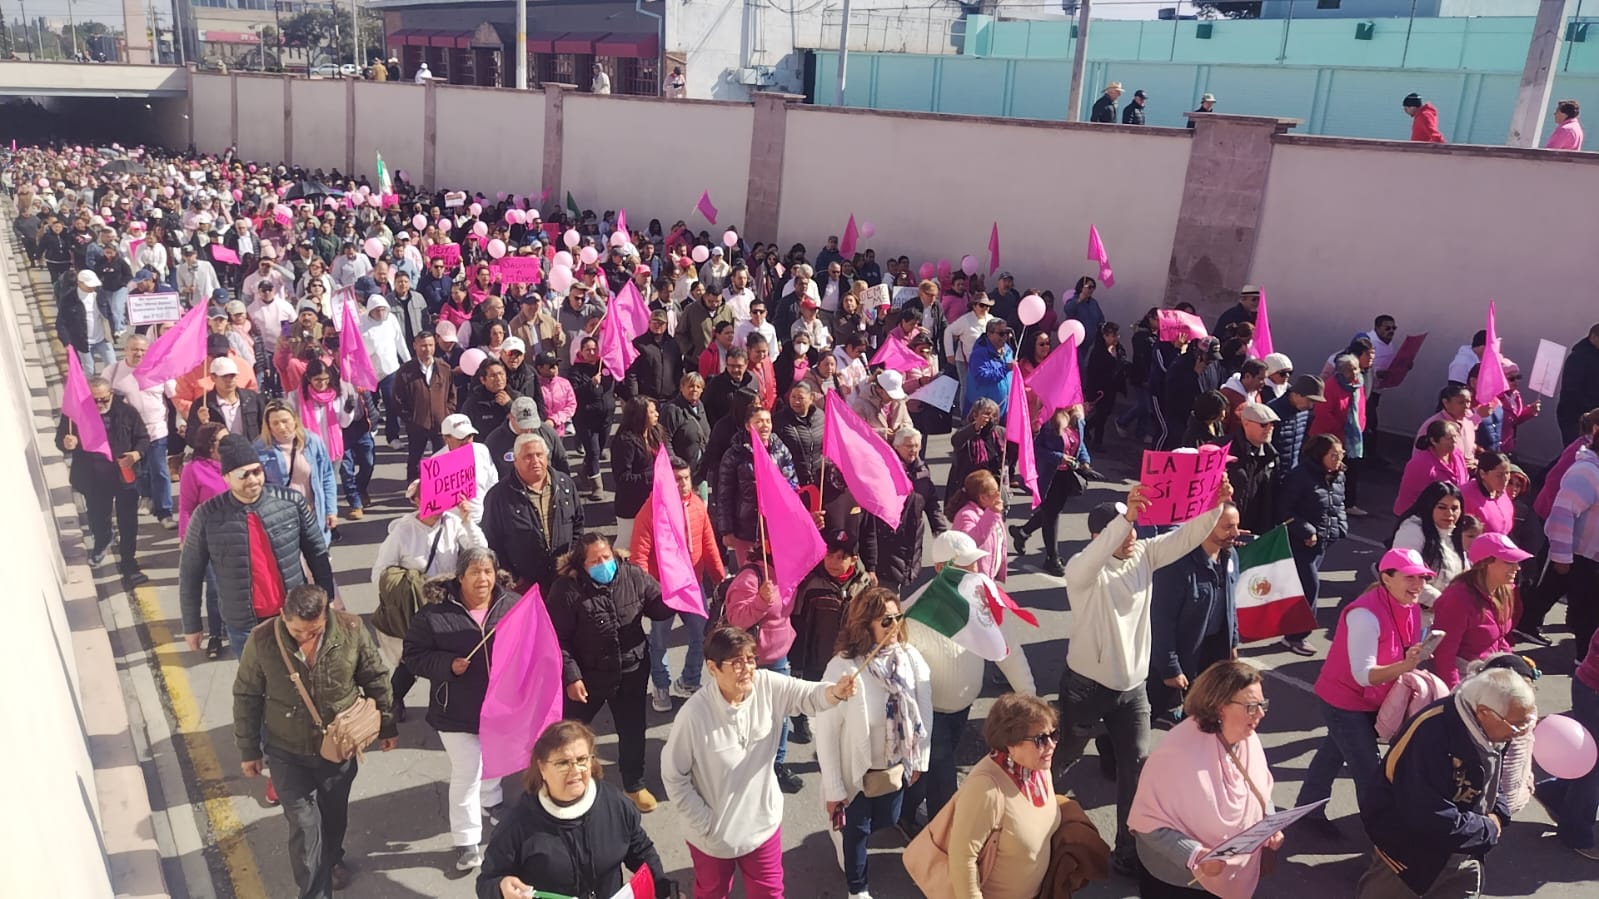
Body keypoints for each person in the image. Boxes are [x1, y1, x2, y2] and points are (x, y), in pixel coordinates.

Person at [1057, 479, 1232, 874]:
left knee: (1136, 766)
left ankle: (1126, 851)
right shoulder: (1082, 571)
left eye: (1134, 527)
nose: (1133, 534)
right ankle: (1033, 818)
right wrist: (1127, 517)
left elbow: (1187, 536)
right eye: (1122, 529)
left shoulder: (1146, 556)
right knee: (1064, 756)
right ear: (1099, 537)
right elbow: (1092, 557)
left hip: (1133, 690)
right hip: (1086, 686)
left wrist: (1215, 505)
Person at [662, 626, 859, 899]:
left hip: (762, 826)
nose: (747, 669)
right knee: (712, 893)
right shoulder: (693, 715)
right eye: (737, 662)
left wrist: (835, 692)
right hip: (713, 838)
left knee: (769, 893)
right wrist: (707, 823)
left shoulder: (767, 685)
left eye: (751, 659)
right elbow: (674, 776)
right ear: (713, 668)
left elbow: (807, 696)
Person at [232, 584, 397, 898]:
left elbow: (374, 677)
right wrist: (248, 749)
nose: (304, 638)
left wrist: (387, 727)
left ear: (328, 615)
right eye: (296, 631)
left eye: (314, 631)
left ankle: (332, 857)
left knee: (334, 818)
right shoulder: (263, 639)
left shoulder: (351, 629)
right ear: (283, 615)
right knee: (305, 826)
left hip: (339, 749)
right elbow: (246, 695)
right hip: (286, 752)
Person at [1359, 669, 1534, 897]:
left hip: (1464, 851)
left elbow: (1492, 776)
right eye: (1516, 726)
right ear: (1483, 712)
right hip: (1408, 859)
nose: (1520, 732)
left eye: (1525, 724)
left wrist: (1499, 811)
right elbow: (1427, 814)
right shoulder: (1430, 734)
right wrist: (1487, 828)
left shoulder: (1494, 729)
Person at [1296, 548, 1434, 836]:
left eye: (1422, 577)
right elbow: (1363, 675)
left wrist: (1416, 653)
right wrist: (1406, 665)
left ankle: (1307, 809)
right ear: (1386, 578)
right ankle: (1384, 838)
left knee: (1332, 753)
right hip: (1345, 700)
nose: (1419, 585)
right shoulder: (1364, 615)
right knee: (1370, 771)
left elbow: (1400, 648)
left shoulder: (1407, 605)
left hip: (1369, 700)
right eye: (1410, 577)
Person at [401, 547, 521, 871]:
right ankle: (466, 839)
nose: (483, 579)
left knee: (492, 758)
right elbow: (413, 656)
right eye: (475, 572)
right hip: (453, 712)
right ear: (460, 576)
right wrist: (445, 665)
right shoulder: (433, 614)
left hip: (497, 710)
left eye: (488, 572)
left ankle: (492, 801)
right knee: (468, 771)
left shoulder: (511, 605)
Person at [1129, 661, 1281, 899]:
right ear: (1220, 707)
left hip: (1232, 871)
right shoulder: (1177, 756)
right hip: (1180, 881)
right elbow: (1147, 824)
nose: (1260, 714)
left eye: (1262, 705)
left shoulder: (1248, 739)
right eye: (1251, 706)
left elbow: (1261, 789)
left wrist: (1270, 823)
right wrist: (1196, 855)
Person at [816, 587, 931, 899]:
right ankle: (858, 888)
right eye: (885, 620)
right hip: (856, 771)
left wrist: (918, 759)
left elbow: (924, 710)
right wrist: (834, 788)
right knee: (858, 831)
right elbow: (824, 732)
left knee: (887, 820)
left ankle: (847, 839)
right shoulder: (843, 668)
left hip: (894, 767)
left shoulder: (909, 658)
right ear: (865, 625)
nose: (894, 626)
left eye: (897, 618)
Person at [547, 533, 674, 812]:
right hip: (588, 675)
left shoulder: (633, 575)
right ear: (581, 564)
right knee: (570, 733)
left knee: (632, 729)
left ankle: (634, 784)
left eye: (607, 557)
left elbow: (657, 607)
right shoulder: (565, 590)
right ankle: (563, 785)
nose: (603, 564)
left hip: (631, 669)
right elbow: (558, 639)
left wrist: (674, 595)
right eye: (595, 561)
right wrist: (572, 676)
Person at [476, 720, 672, 899]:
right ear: (542, 768)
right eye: (562, 763)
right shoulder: (518, 822)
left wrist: (664, 888)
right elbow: (487, 882)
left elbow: (640, 849)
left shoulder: (613, 802)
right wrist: (500, 888)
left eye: (582, 760)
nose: (576, 770)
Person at [179, 433, 336, 654]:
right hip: (244, 625)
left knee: (301, 683)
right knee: (255, 687)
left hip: (294, 618)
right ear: (227, 478)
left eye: (257, 471)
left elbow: (317, 553)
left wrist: (327, 600)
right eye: (243, 474)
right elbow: (190, 574)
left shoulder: (291, 502)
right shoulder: (206, 516)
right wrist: (192, 625)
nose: (252, 480)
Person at [947, 692, 1063, 899]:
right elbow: (962, 858)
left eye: (1053, 735)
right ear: (1011, 743)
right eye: (1040, 739)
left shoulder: (1040, 769)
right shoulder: (986, 789)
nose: (1051, 745)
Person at [632, 454, 724, 710]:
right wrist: (644, 593)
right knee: (659, 644)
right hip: (661, 590)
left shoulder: (696, 505)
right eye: (677, 480)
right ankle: (661, 686)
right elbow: (639, 554)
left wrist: (720, 580)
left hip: (691, 587)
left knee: (703, 636)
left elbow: (709, 545)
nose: (683, 483)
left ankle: (689, 680)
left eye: (686, 478)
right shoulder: (650, 510)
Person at [1147, 505, 1241, 723]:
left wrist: (1233, 642)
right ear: (1205, 527)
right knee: (1149, 713)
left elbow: (1231, 602)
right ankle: (1113, 748)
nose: (1236, 533)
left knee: (1201, 717)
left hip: (1211, 651)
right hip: (1176, 655)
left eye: (1236, 525)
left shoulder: (1231, 556)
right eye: (1228, 527)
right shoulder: (1176, 564)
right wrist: (1170, 669)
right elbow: (1161, 620)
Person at [56, 375, 150, 585]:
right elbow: (60, 440)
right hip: (93, 477)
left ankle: (128, 561)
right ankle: (102, 539)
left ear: (111, 395)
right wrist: (67, 443)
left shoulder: (127, 412)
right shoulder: (74, 414)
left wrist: (135, 455)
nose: (99, 404)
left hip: (123, 476)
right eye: (94, 400)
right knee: (98, 518)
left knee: (128, 522)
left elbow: (143, 438)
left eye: (103, 399)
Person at [1275, 433, 1348, 656]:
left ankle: (1290, 630)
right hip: (1301, 544)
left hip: (1322, 543)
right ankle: (1295, 637)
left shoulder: (1337, 476)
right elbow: (1284, 509)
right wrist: (1305, 530)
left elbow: (1337, 504)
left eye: (1340, 454)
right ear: (1320, 455)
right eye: (1333, 455)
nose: (1338, 459)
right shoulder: (1300, 477)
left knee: (1302, 587)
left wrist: (1341, 527)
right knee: (1310, 588)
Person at [481, 433, 583, 593]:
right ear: (515, 461)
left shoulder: (565, 485)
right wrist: (514, 576)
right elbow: (492, 541)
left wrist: (572, 562)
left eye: (539, 455)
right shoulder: (498, 496)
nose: (535, 461)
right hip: (525, 584)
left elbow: (578, 524)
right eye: (528, 456)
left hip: (564, 578)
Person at [1430, 533, 1529, 689]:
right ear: (1485, 563)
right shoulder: (1457, 598)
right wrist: (1453, 693)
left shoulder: (1505, 591)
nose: (1517, 567)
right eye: (1509, 562)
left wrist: (1514, 667)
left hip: (1490, 675)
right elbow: (1444, 654)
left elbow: (1500, 639)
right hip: (1466, 681)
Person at [1535, 626, 1599, 860]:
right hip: (1594, 692)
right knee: (1591, 764)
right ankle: (1575, 833)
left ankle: (1554, 793)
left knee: (1587, 759)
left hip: (1590, 686)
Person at [862, 427, 949, 591]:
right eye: (909, 446)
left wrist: (941, 531)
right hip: (889, 540)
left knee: (898, 584)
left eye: (917, 446)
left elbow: (932, 504)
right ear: (897, 447)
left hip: (912, 540)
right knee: (886, 590)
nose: (914, 450)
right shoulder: (885, 471)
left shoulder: (923, 471)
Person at [103, 334, 176, 530]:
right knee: (140, 469)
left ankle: (165, 512)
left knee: (159, 469)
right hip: (129, 434)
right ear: (125, 350)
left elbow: (174, 396)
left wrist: (183, 420)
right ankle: (146, 498)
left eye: (143, 350)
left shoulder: (160, 370)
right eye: (135, 349)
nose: (139, 353)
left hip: (156, 430)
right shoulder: (113, 371)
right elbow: (101, 396)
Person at [1011, 405, 1093, 577]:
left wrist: (1085, 460)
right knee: (1051, 514)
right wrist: (1059, 457)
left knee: (1051, 511)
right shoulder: (1050, 420)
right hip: (1049, 476)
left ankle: (1022, 532)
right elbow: (1036, 448)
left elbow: (1081, 442)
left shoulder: (1077, 419)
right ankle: (1052, 558)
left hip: (1066, 476)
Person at [715, 405, 796, 565]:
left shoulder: (781, 451)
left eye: (767, 421)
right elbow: (724, 495)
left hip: (775, 526)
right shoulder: (734, 455)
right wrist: (727, 530)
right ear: (748, 425)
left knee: (774, 575)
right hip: (746, 527)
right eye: (758, 421)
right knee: (751, 575)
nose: (764, 425)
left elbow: (792, 484)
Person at [1543, 439, 1599, 660]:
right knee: (1588, 617)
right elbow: (1562, 513)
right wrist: (1561, 557)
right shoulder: (1586, 472)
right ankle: (1585, 664)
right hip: (1582, 559)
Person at [257, 399, 339, 546]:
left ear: (295, 420)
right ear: (268, 425)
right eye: (275, 423)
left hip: (313, 514)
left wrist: (331, 510)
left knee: (317, 561)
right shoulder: (260, 448)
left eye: (285, 421)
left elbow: (327, 476)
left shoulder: (312, 441)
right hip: (282, 520)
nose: (281, 427)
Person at [1389, 481, 1467, 613]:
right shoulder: (1412, 531)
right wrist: (1442, 603)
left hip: (1442, 614)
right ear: (1429, 506)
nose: (1449, 514)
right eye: (1442, 507)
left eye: (1454, 508)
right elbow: (1404, 575)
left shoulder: (1452, 532)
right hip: (1413, 615)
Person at [393, 331, 456, 483]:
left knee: (442, 458)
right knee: (415, 459)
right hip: (417, 425)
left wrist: (447, 414)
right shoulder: (405, 371)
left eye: (430, 345)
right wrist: (411, 418)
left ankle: (440, 489)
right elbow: (397, 399)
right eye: (423, 346)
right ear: (415, 346)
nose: (427, 349)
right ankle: (414, 491)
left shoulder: (444, 368)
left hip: (441, 424)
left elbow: (452, 395)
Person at [609, 396, 666, 547]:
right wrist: (654, 475)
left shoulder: (655, 433)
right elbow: (622, 479)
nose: (657, 415)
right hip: (631, 506)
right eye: (652, 412)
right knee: (628, 546)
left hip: (653, 501)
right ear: (640, 415)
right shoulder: (625, 441)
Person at [1395, 420, 1471, 516]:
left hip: (1450, 513)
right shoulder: (1420, 463)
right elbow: (1410, 496)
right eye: (1449, 438)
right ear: (1434, 441)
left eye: (1455, 436)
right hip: (1420, 517)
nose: (1454, 441)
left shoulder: (1457, 455)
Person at [1557, 323, 1599, 445]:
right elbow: (1572, 390)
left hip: (1592, 415)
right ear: (1594, 337)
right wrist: (1591, 411)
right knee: (1575, 450)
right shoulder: (1578, 357)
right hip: (1575, 415)